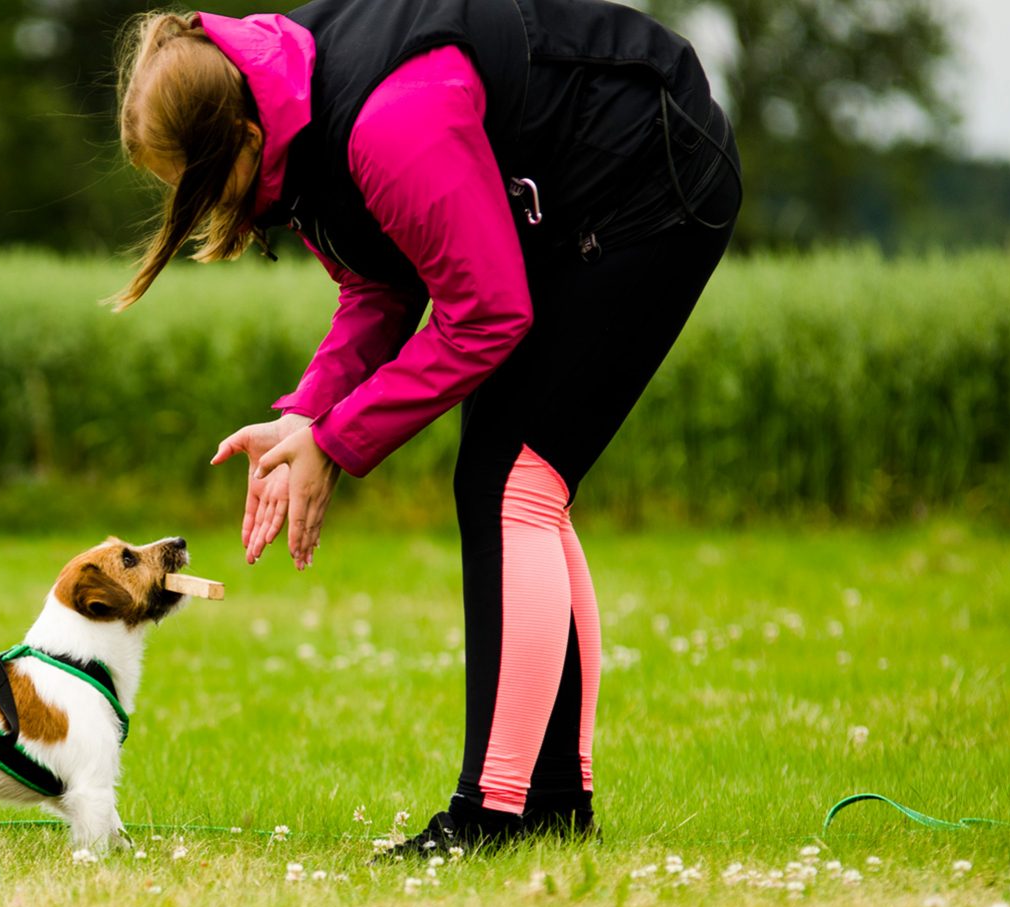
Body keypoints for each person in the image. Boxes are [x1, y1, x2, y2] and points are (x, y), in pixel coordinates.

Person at [111, 0, 743, 853]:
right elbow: (382, 283)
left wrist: (338, 443)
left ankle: (495, 816)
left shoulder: (388, 121)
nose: (193, 205)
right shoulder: (285, 102)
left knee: (511, 478)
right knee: (517, 478)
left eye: (188, 183)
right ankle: (551, 807)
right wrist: (307, 412)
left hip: (649, 178)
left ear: (238, 143)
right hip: (572, 205)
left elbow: (486, 312)